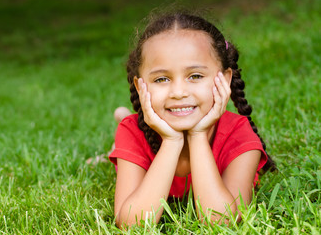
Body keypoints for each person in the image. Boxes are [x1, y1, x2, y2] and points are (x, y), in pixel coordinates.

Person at [108, 11, 276, 227]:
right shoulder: (133, 131)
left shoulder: (240, 135)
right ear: (141, 87)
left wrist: (197, 136)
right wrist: (171, 142)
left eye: (195, 76)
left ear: (224, 79)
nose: (179, 92)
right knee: (124, 127)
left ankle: (118, 126)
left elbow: (221, 221)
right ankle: (114, 138)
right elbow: (132, 223)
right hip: (138, 130)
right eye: (162, 79)